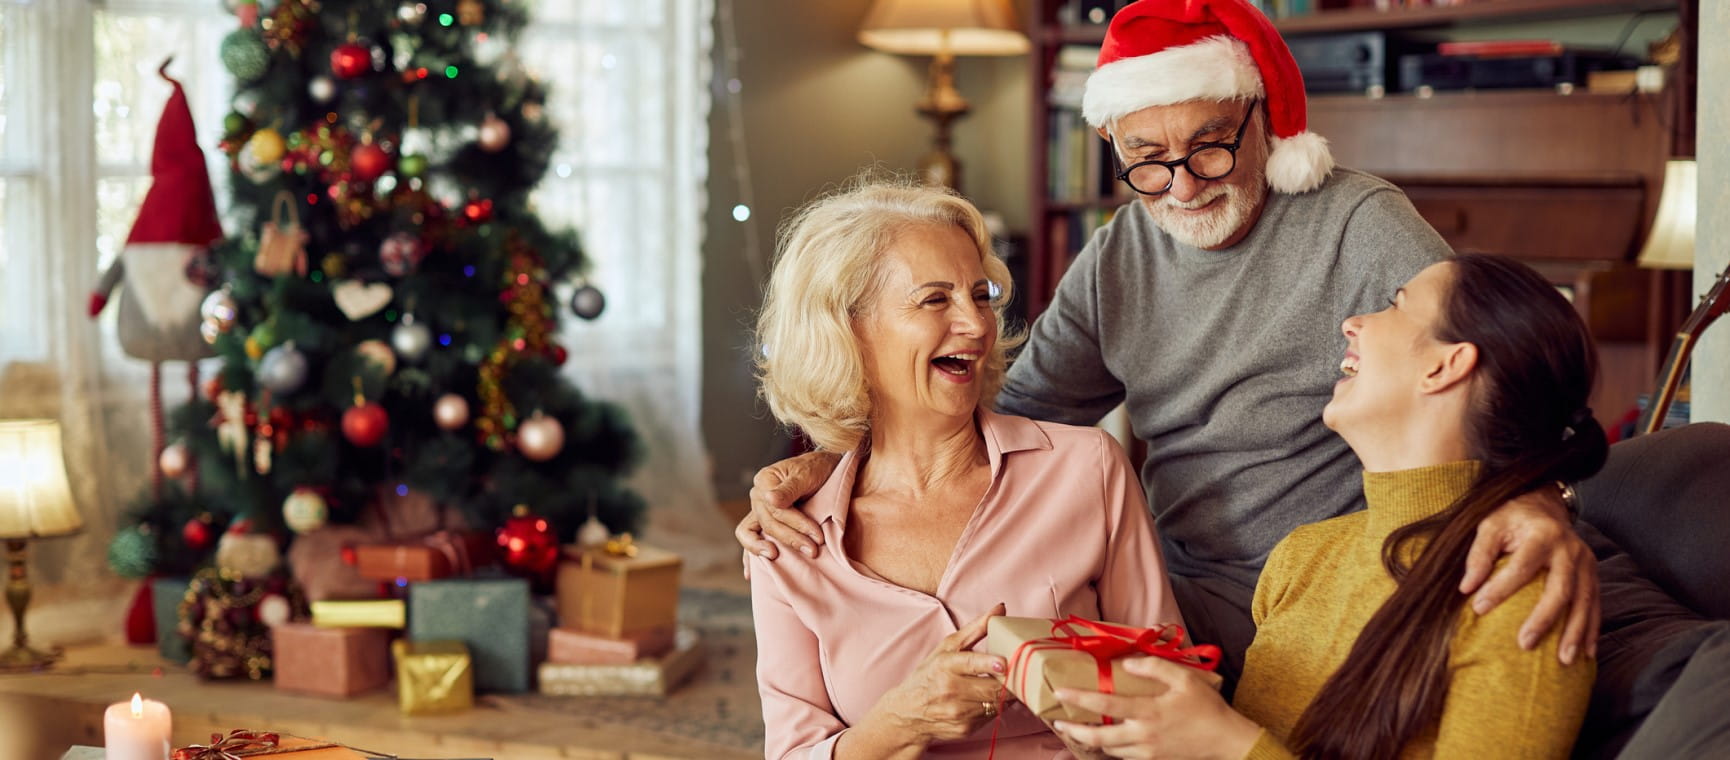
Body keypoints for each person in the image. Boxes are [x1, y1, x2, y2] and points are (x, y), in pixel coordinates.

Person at [739, 0, 1597, 692]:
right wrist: (837, 463)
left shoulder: (1356, 222)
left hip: (1328, 586)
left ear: (1262, 122)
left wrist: (1533, 500)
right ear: (1112, 146)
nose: (1181, 186)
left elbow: (1492, 353)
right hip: (1174, 583)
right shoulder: (1119, 255)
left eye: (1211, 147)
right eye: (1147, 158)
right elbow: (1005, 407)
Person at [1051, 254, 1601, 759]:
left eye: (1395, 305)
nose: (1353, 322)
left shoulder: (1522, 597)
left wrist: (1228, 743)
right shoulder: (1303, 557)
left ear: (1445, 366)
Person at [748, 179, 1185, 759]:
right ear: (847, 328)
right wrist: (900, 724)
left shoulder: (1088, 470)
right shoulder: (788, 538)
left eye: (981, 296)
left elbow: (1176, 691)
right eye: (935, 299)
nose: (978, 326)